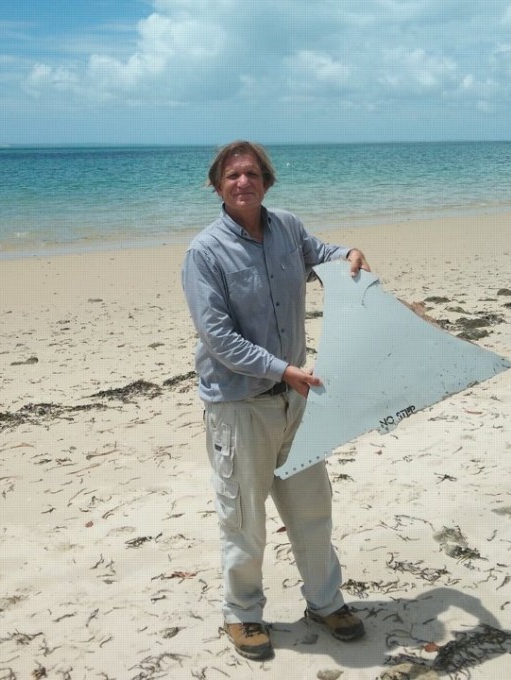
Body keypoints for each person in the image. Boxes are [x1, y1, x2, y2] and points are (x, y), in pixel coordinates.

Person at [181, 140, 371, 661]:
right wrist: (284, 370)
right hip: (241, 405)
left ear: (267, 179)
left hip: (297, 400)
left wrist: (348, 253)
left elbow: (321, 255)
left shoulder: (286, 226)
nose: (243, 182)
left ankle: (325, 602)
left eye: (252, 173)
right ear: (217, 185)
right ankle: (243, 615)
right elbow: (218, 338)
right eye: (232, 175)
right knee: (243, 516)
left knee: (313, 508)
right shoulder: (204, 252)